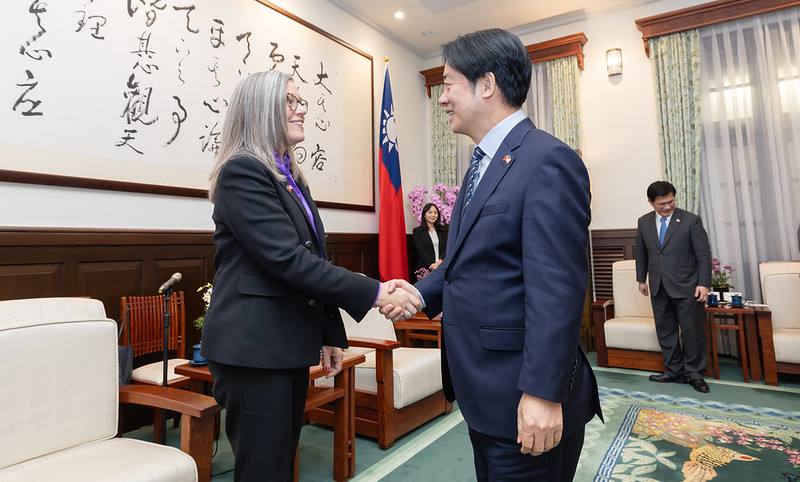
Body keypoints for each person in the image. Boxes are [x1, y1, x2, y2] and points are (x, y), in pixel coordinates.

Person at [386, 29, 602, 481]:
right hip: (485, 393)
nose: (442, 99)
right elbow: (469, 261)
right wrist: (418, 295)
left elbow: (557, 288)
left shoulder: (547, 160)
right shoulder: (482, 163)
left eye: (448, 84)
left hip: (525, 398)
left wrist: (543, 394)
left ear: (486, 85)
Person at [201, 70, 420, 482]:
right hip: (253, 352)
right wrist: (376, 291)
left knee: (282, 463)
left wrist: (329, 334)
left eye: (302, 101)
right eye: (291, 101)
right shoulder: (242, 171)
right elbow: (288, 260)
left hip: (282, 345)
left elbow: (311, 257)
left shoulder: (288, 175)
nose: (302, 109)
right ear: (262, 110)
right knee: (265, 469)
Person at [635, 180, 712, 393]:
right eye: (662, 204)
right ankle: (673, 370)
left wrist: (704, 283)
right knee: (665, 331)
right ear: (651, 202)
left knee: (691, 332)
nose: (668, 206)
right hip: (658, 286)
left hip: (688, 286)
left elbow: (703, 256)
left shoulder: (690, 221)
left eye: (671, 201)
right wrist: (641, 279)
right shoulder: (644, 222)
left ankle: (694, 374)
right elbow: (641, 252)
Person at [412, 203, 448, 273]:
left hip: (442, 266)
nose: (433, 215)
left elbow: (446, 248)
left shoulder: (444, 230)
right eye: (430, 212)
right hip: (425, 268)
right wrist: (432, 265)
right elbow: (421, 251)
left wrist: (439, 263)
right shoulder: (417, 231)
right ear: (424, 215)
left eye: (435, 213)